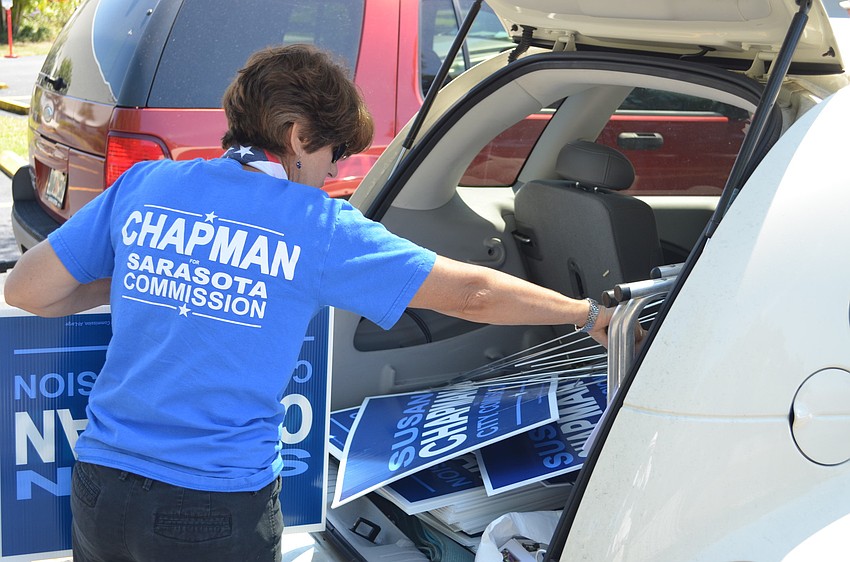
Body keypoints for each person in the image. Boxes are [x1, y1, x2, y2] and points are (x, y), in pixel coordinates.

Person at [4, 44, 615, 561]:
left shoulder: (149, 183)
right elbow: (472, 292)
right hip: (213, 507)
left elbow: (26, 290)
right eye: (332, 155)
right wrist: (585, 314)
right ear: (297, 136)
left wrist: (150, 269)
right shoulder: (316, 227)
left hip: (99, 487)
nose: (330, 173)